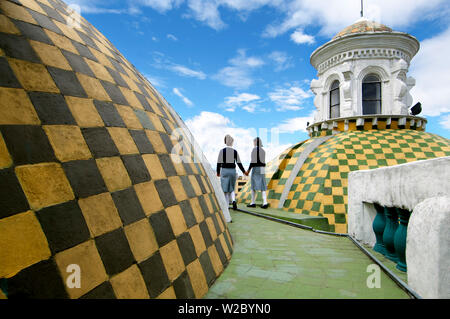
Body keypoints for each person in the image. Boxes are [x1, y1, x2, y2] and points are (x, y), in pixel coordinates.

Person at [216, 135, 247, 210]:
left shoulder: (222, 151)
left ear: (225, 142)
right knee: (232, 188)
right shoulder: (235, 152)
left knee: (225, 190)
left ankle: (226, 207)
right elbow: (239, 163)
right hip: (232, 171)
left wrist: (218, 172)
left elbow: (218, 163)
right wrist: (243, 171)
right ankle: (233, 200)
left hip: (225, 171)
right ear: (232, 142)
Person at [246, 137, 268, 209]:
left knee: (253, 185)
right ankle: (265, 202)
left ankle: (253, 202)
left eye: (254, 142)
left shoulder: (254, 149)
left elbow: (253, 161)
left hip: (256, 168)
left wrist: (248, 170)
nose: (253, 143)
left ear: (256, 142)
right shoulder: (263, 150)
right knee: (262, 184)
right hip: (262, 168)